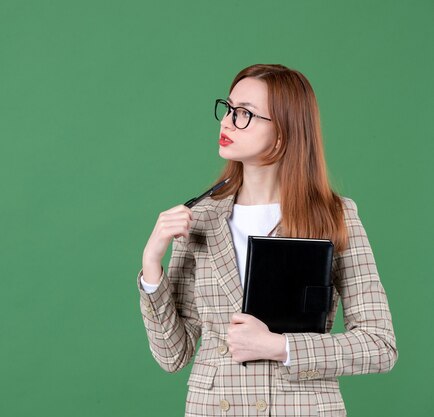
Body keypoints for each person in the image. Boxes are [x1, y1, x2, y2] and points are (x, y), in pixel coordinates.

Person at [137, 64, 397, 416]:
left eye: (244, 113)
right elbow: (173, 355)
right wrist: (152, 268)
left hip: (300, 408)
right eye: (228, 108)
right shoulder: (198, 219)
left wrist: (278, 346)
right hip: (215, 408)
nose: (227, 121)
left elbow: (379, 345)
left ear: (283, 134)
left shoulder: (333, 215)